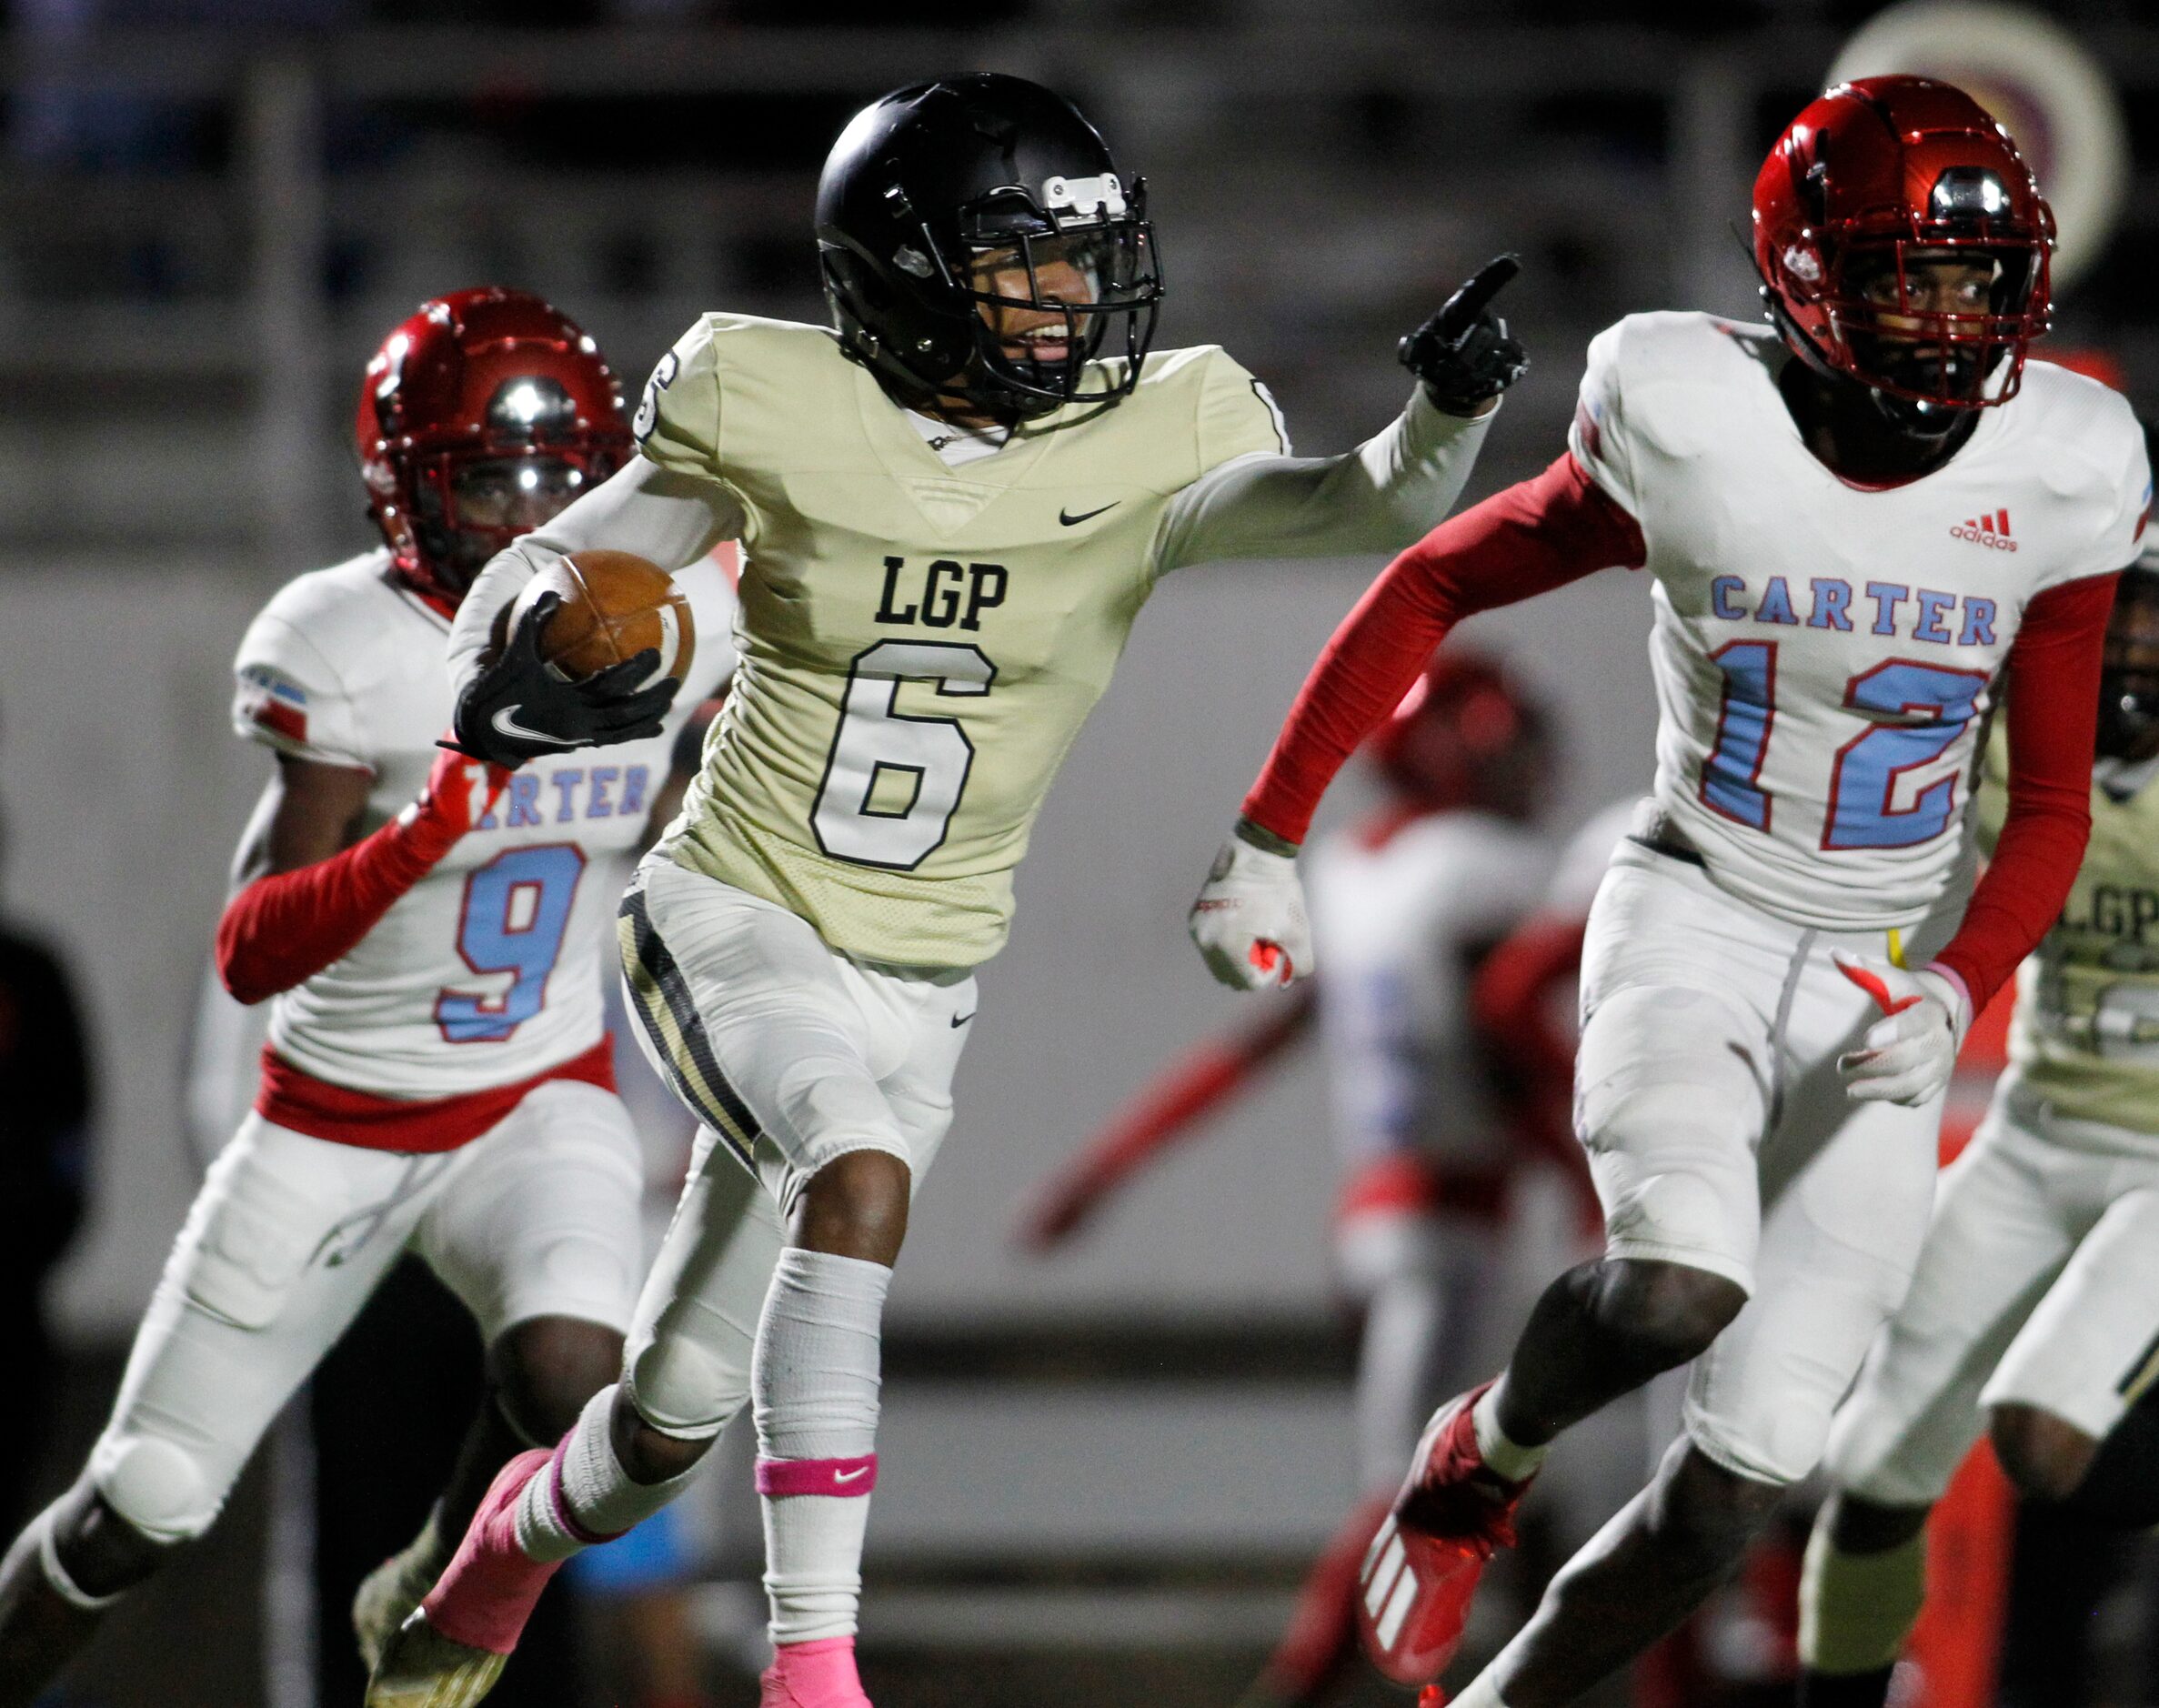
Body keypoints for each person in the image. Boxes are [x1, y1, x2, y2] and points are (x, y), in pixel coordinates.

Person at [367, 70, 1531, 1708]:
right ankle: (813, 1667)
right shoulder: (766, 399)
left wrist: (1446, 415)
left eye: (1081, 259)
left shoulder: (1150, 433)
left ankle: (493, 1558)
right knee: (849, 1179)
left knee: (659, 1423)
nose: (1066, 298)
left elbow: (1370, 503)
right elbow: (554, 576)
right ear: (904, 268)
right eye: (1020, 261)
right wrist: (516, 658)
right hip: (734, 905)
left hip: (925, 977)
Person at [1180, 76, 2150, 1708]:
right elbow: (1435, 575)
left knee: (1742, 1475)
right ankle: (1480, 1454)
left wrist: (1952, 977)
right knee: (1674, 1282)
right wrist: (1265, 829)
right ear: (1801, 275)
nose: (1949, 315)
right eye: (1906, 273)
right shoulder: (1689, 416)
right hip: (1697, 910)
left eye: (1977, 279)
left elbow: (2047, 800)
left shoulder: (2058, 461)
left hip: (1874, 968)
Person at [0, 286, 734, 1707]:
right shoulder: (347, 644)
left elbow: (776, 579)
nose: (529, 516)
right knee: (139, 1503)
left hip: (533, 1096)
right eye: (488, 478)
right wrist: (425, 828)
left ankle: (436, 1580)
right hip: (338, 1121)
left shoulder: (654, 614)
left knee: (587, 1385)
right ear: (405, 483)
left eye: (557, 476)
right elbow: (253, 947)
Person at [1020, 652, 1572, 1707]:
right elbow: (1512, 1041)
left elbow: (1244, 1057)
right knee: (1414, 1487)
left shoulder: (1354, 871)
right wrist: (1591, 1175)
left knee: (1518, 1484)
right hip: (1454, 1226)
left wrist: (1098, 1177)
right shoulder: (1481, 867)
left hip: (1368, 1224)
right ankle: (1291, 1692)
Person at [1796, 547, 2159, 1707]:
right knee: (1868, 1474)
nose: (2136, 662)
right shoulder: (2009, 755)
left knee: (2041, 1437)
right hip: (2035, 1138)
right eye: (2119, 637)